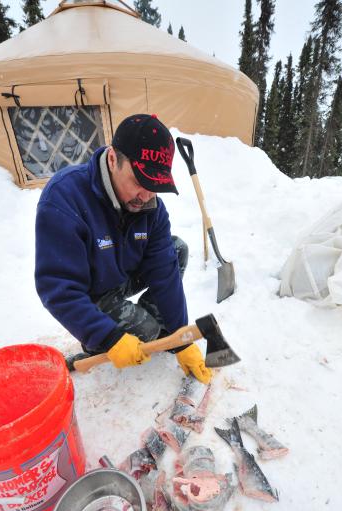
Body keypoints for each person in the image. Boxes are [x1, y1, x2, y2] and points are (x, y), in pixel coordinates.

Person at [35, 113, 212, 384]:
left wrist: (181, 338)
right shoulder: (65, 198)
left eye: (156, 186)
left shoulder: (151, 208)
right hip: (91, 290)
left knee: (176, 250)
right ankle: (101, 340)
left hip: (120, 274)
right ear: (112, 159)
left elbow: (164, 271)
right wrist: (107, 336)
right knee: (147, 331)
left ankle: (155, 332)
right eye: (140, 181)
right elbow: (58, 287)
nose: (147, 196)